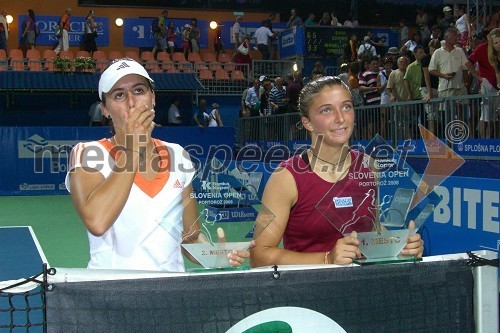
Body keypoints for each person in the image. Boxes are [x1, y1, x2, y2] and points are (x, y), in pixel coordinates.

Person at [65, 58, 249, 271]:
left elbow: (190, 238)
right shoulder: (87, 153)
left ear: (153, 98)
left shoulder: (178, 155)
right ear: (104, 109)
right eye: (119, 95)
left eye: (139, 90)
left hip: (170, 295)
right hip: (110, 293)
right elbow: (97, 221)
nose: (131, 102)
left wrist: (214, 255)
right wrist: (133, 147)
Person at [250, 76, 424, 267]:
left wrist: (400, 245)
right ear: (307, 122)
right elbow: (258, 255)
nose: (340, 118)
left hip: (365, 289)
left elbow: (373, 229)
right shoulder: (286, 177)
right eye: (326, 110)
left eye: (346, 106)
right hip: (308, 291)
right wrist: (326, 259)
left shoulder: (369, 166)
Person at [469, 28, 500, 138]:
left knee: (495, 117)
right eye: (495, 41)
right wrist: (476, 76)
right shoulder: (482, 49)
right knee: (485, 116)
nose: (498, 44)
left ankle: (494, 142)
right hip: (487, 84)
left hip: (497, 87)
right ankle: (483, 143)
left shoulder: (496, 52)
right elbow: (468, 62)